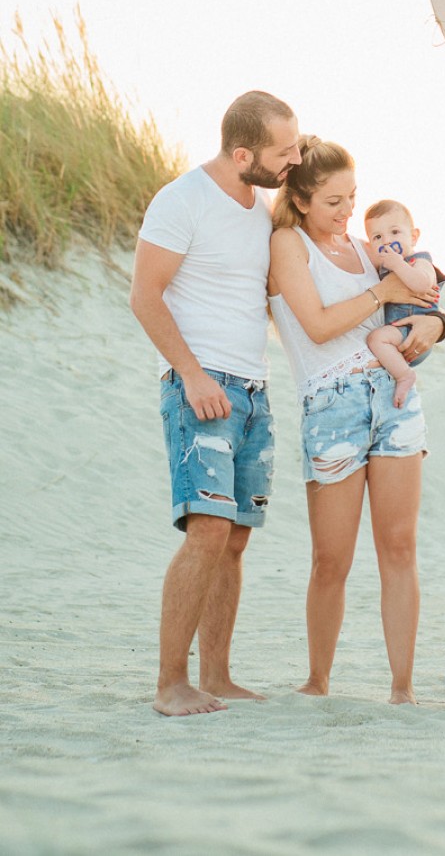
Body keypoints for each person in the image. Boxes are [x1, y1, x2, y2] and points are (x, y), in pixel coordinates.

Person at [130, 90, 303, 717]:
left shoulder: (261, 209)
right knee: (204, 531)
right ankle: (169, 683)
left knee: (233, 540)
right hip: (199, 389)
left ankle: (218, 675)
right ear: (242, 153)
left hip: (254, 391)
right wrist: (193, 375)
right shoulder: (182, 201)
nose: (296, 159)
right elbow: (145, 295)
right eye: (285, 151)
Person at [267, 137, 445, 704]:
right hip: (332, 404)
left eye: (352, 197)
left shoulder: (364, 246)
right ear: (300, 201)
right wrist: (383, 292)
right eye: (332, 201)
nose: (348, 212)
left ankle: (402, 688)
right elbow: (319, 327)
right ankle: (317, 680)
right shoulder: (287, 244)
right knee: (332, 558)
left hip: (393, 401)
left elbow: (422, 293)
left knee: (399, 547)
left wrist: (437, 325)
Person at [363, 199, 444, 408]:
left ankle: (405, 376)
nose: (387, 241)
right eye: (378, 237)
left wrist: (399, 265)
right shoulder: (383, 267)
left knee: (376, 339)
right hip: (399, 333)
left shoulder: (420, 261)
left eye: (395, 232)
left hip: (414, 332)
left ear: (414, 236)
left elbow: (422, 283)